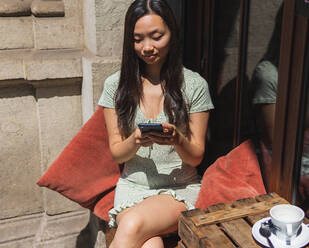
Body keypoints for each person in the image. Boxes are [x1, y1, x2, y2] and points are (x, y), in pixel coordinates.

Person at [97, 0, 214, 247]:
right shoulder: (114, 86)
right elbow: (118, 153)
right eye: (138, 39)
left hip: (179, 189)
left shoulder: (195, 86)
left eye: (156, 36)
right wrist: (136, 140)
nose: (147, 47)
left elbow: (195, 157)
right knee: (151, 244)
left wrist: (176, 139)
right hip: (132, 189)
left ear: (172, 33)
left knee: (131, 226)